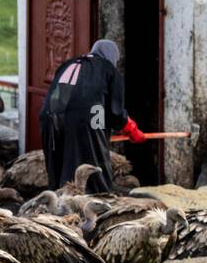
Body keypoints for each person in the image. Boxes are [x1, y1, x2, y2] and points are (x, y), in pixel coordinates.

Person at [39, 39, 145, 194]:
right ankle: (98, 203)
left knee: (59, 167)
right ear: (111, 56)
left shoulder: (69, 63)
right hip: (86, 117)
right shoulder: (109, 70)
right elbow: (116, 112)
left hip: (48, 117)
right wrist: (132, 130)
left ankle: (58, 205)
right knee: (95, 168)